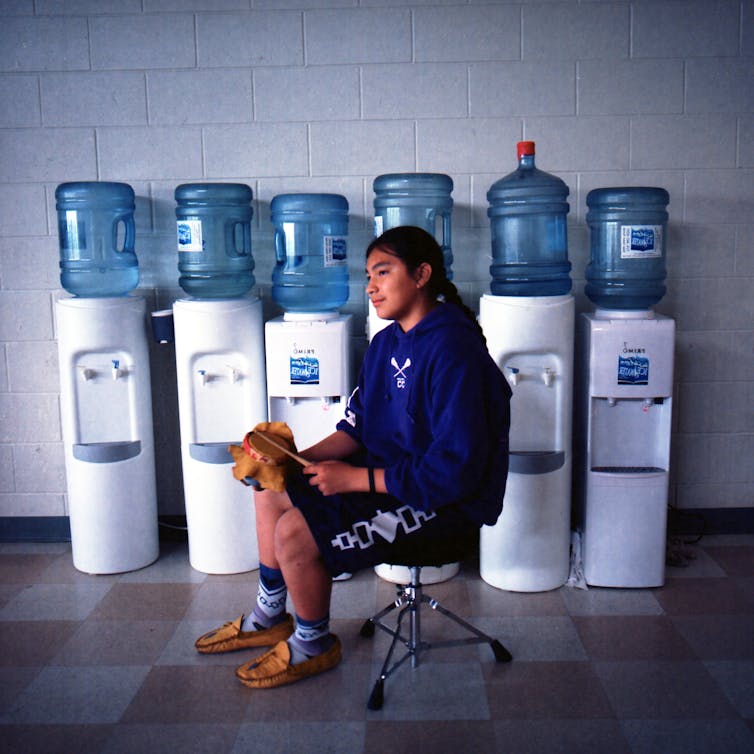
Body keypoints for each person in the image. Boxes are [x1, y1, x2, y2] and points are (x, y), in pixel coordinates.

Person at [195, 225, 512, 689]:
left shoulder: (453, 348)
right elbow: (357, 428)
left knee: (296, 532)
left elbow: (454, 470)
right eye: (368, 274)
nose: (370, 286)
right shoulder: (386, 342)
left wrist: (353, 481)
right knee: (272, 489)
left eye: (383, 272)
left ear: (422, 275)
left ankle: (312, 642)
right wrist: (288, 458)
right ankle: (270, 614)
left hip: (442, 500)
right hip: (388, 479)